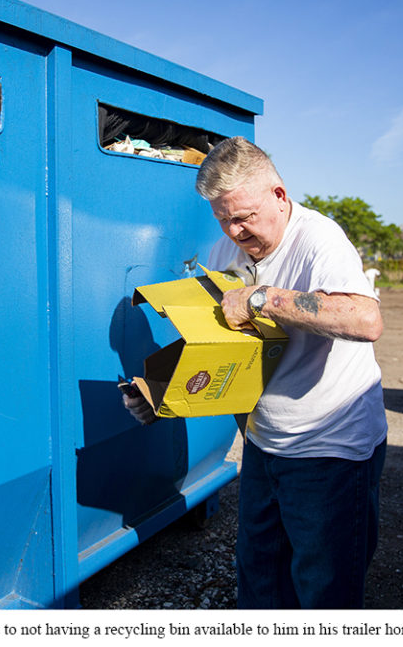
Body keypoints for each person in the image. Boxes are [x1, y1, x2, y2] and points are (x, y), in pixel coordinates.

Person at [123, 136, 387, 609]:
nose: (236, 230)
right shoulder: (228, 253)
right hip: (264, 446)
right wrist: (161, 395)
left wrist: (263, 298)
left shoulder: (319, 240)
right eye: (224, 219)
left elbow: (365, 320)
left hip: (330, 449)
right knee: (260, 579)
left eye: (244, 216)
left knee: (325, 589)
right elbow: (216, 345)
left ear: (279, 197)